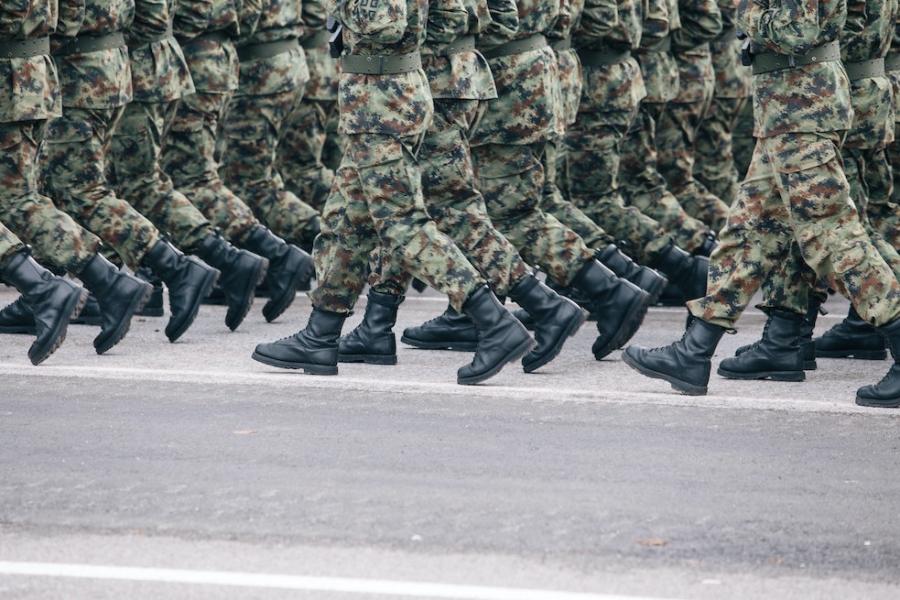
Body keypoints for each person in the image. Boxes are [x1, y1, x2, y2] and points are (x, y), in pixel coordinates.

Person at [623, 0, 900, 409]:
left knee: (830, 233)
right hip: (787, 104)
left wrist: (746, 14)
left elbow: (799, 29)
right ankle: (694, 351)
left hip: (803, 102)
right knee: (748, 229)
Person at [251, 0, 536, 385]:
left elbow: (383, 21)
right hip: (385, 93)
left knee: (402, 224)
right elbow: (445, 18)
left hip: (381, 99)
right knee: (345, 220)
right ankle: (321, 334)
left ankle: (492, 319)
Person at [336, 0, 585, 373]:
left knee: (424, 210)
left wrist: (420, 47)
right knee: (416, 207)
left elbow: (394, 25)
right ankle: (376, 323)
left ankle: (543, 305)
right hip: (454, 73)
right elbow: (502, 18)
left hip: (426, 77)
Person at [0, 0, 153, 355]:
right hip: (33, 73)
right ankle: (106, 280)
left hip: (10, 73)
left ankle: (46, 288)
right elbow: (71, 13)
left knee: (18, 198)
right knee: (20, 198)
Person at [108, 0, 270, 332]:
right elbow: (253, 12)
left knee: (151, 180)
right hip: (194, 57)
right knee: (145, 179)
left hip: (160, 59)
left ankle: (209, 264)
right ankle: (230, 260)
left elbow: (154, 16)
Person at [162, 0, 315, 323]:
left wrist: (180, 34)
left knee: (207, 179)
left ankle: (277, 255)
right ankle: (263, 259)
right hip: (253, 58)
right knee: (242, 176)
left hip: (221, 59)